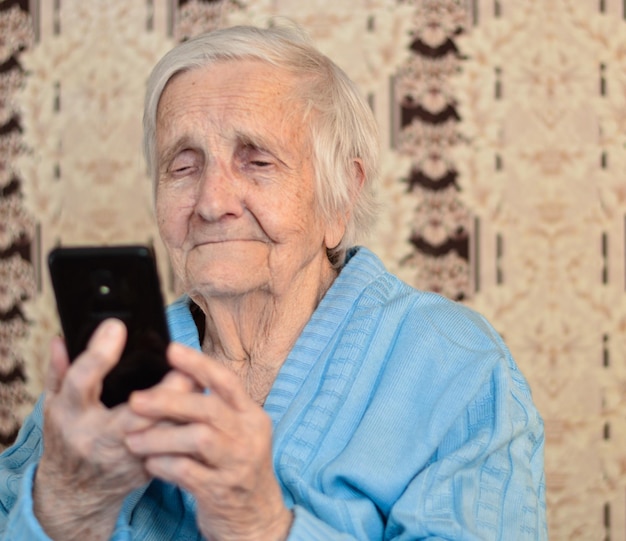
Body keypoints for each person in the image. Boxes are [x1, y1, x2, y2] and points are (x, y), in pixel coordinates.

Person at [0, 23, 547, 540]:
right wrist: (66, 503)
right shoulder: (100, 371)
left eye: (257, 161)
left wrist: (258, 524)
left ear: (342, 195)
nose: (212, 203)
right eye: (183, 166)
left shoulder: (457, 369)